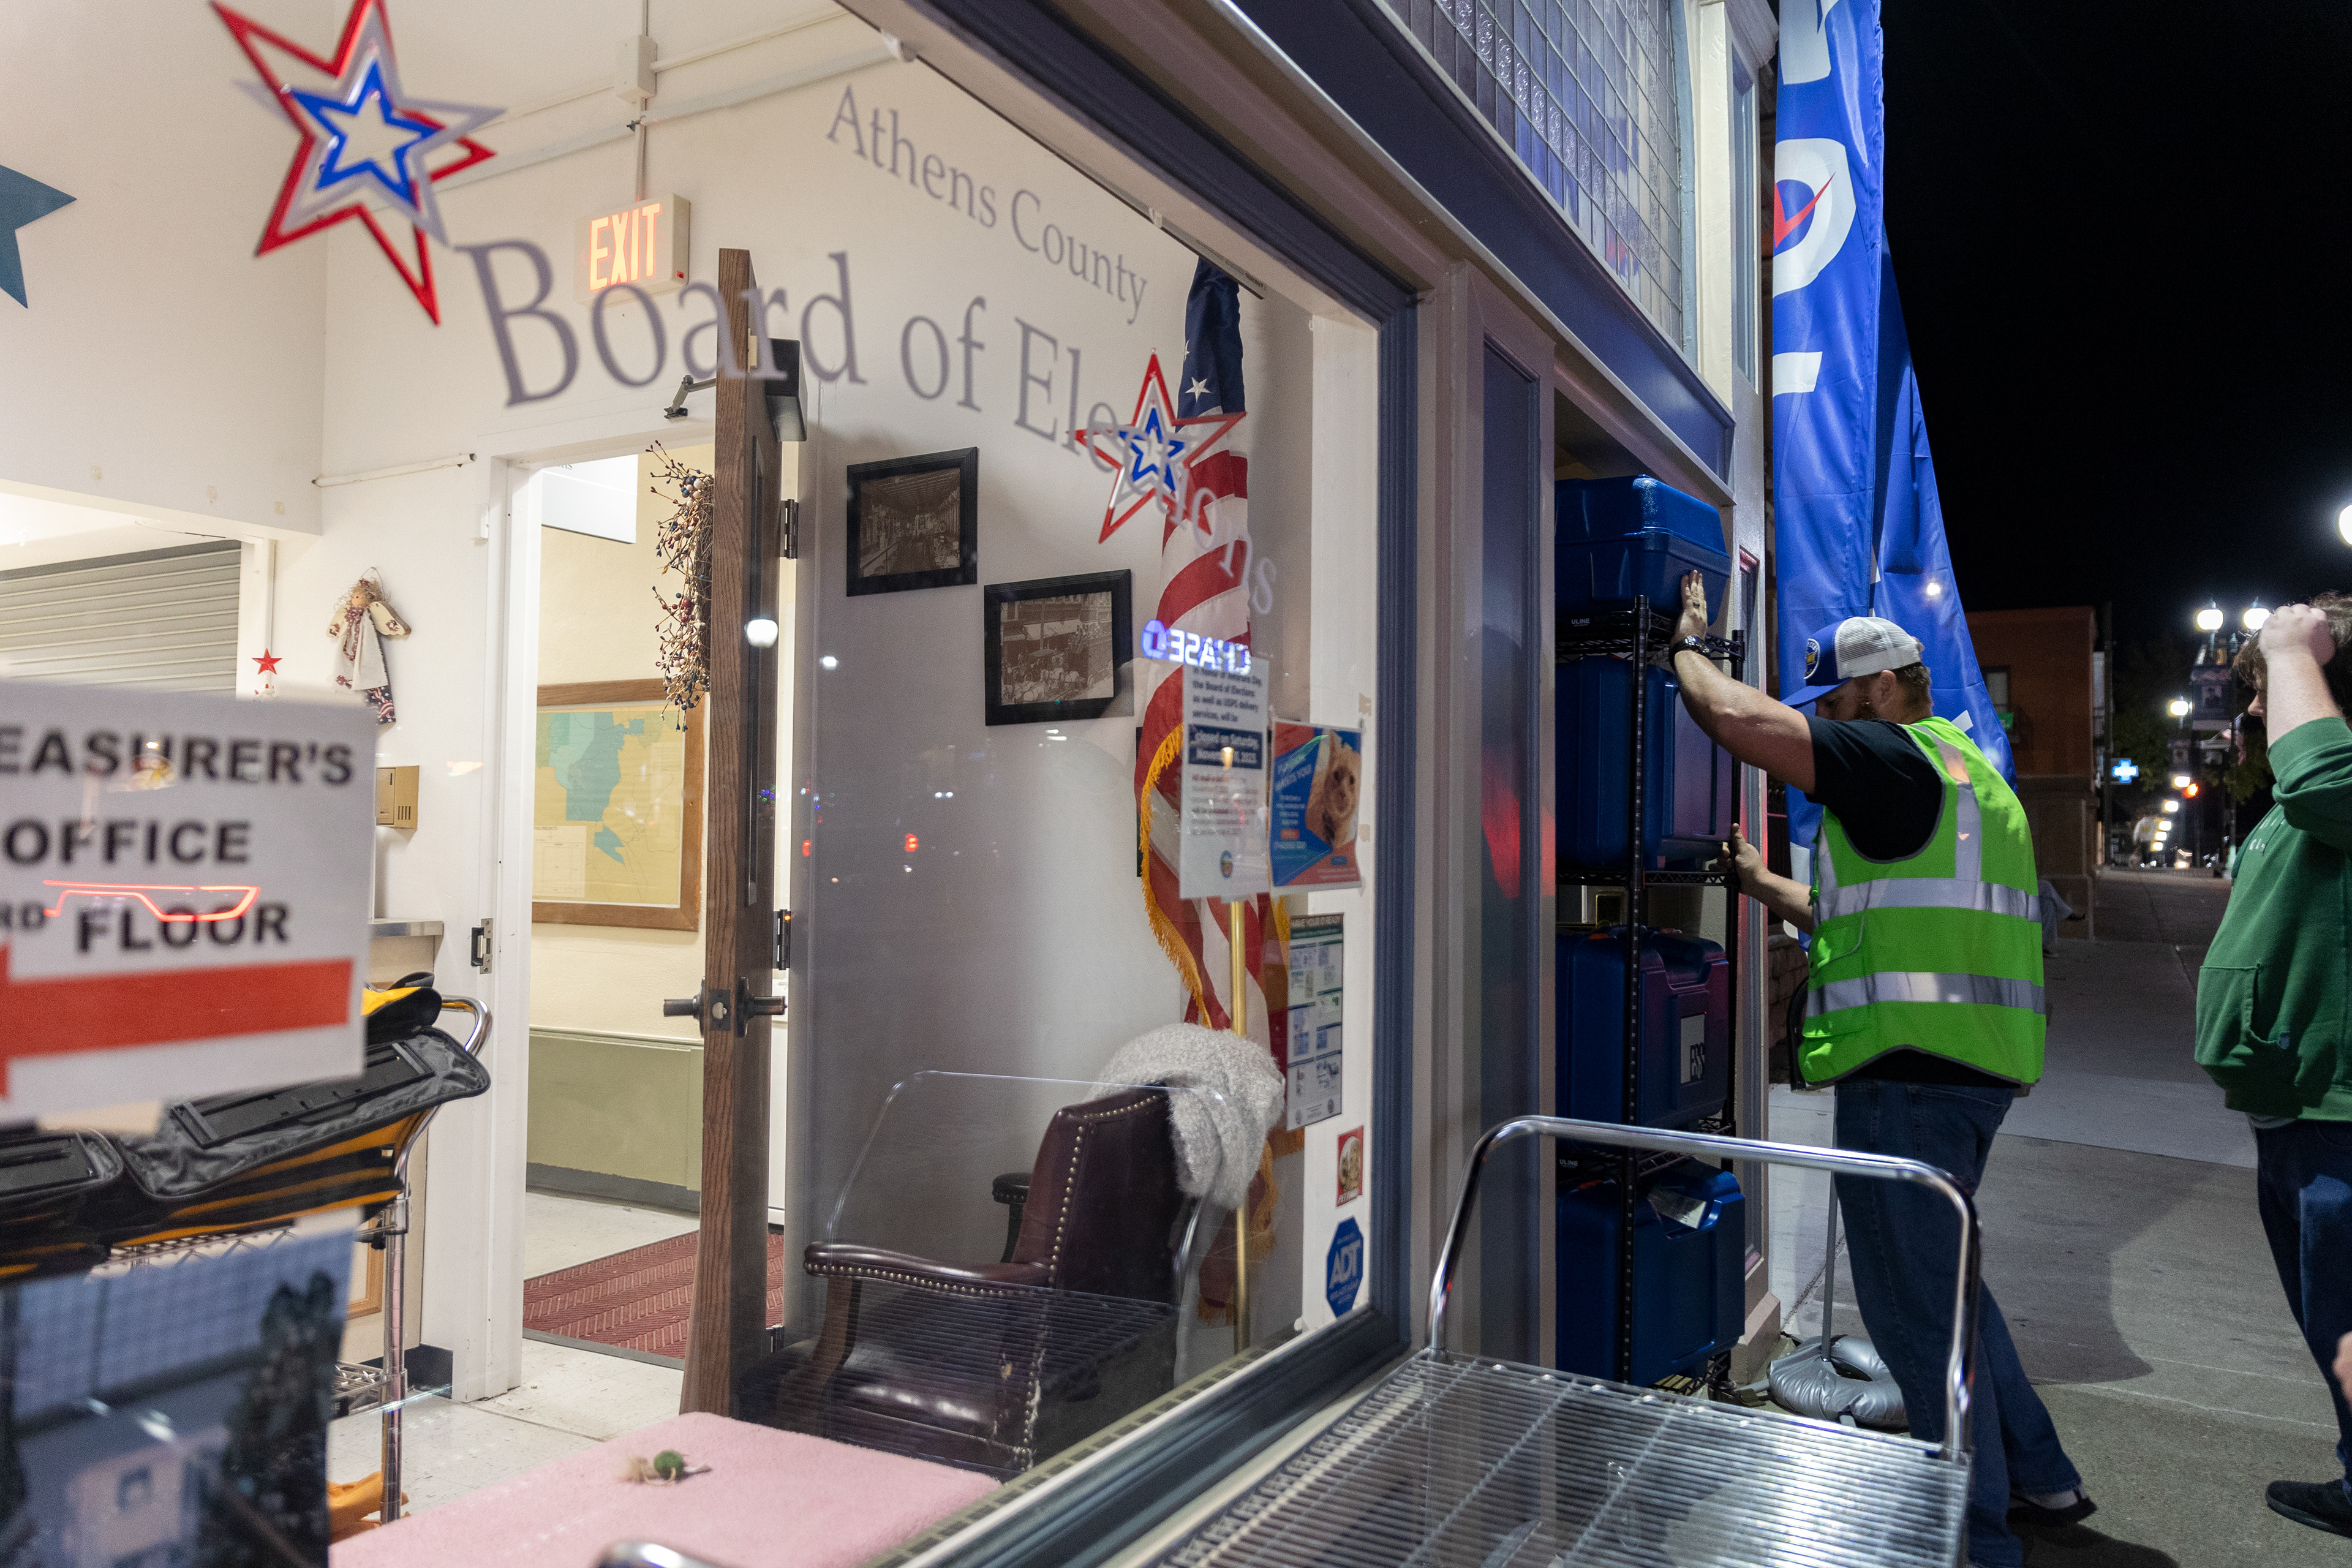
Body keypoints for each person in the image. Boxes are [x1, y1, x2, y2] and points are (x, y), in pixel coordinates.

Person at [1665, 571, 2086, 1568]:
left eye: (1839, 701)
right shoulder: (1965, 778)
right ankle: (2038, 1472)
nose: (1830, 720)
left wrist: (1684, 641)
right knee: (1951, 1287)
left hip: (1913, 1078)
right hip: (1962, 1072)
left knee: (1913, 1312)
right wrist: (1759, 880)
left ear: (1887, 688)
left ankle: (1970, 1539)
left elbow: (1732, 716)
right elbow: (1859, 918)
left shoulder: (1895, 764)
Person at [2193, 595, 2352, 1539]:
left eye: (2268, 693)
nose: (2254, 713)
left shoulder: (2330, 786)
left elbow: (2326, 779)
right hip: (2296, 1109)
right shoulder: (2302, 803)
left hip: (2338, 1119)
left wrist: (2289, 644)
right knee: (2331, 1330)